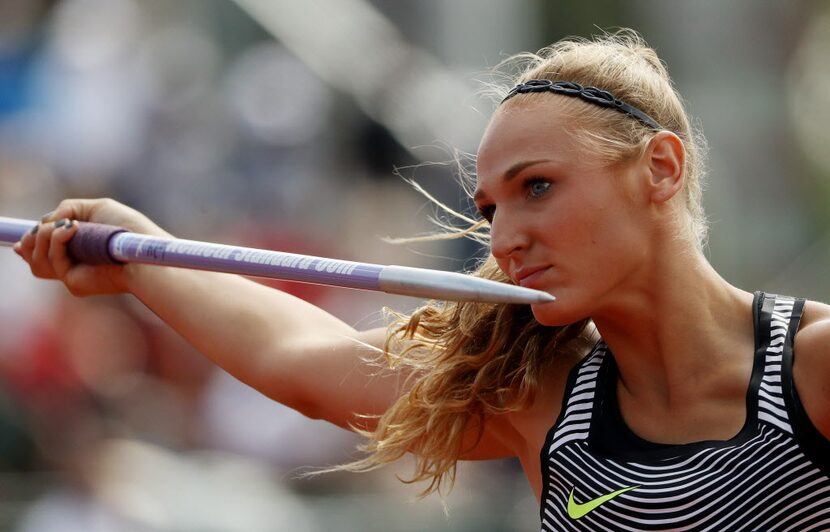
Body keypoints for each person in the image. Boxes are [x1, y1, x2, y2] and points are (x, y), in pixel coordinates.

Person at [13, 30, 830, 530]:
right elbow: (303, 359)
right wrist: (143, 257)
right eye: (490, 207)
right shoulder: (540, 399)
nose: (506, 238)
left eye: (536, 187)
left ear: (659, 168)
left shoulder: (816, 368)